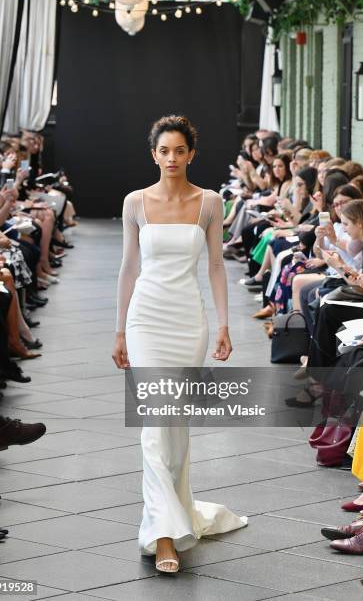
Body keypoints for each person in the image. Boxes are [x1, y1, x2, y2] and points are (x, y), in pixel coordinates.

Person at [112, 115, 247, 574]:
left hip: (189, 323)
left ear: (192, 154)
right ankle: (163, 536)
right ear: (154, 154)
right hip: (145, 320)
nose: (171, 158)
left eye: (179, 151)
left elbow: (215, 265)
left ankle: (177, 514)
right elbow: (128, 269)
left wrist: (225, 324)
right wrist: (118, 331)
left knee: (175, 427)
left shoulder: (209, 203)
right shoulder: (135, 202)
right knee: (153, 426)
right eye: (163, 151)